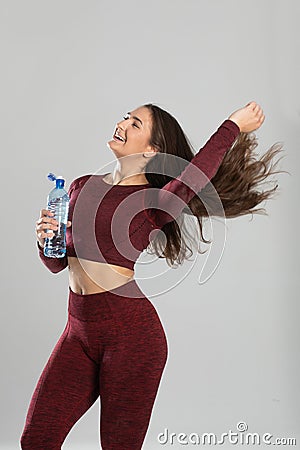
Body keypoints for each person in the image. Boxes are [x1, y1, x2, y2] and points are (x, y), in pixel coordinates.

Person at [20, 101, 283, 449]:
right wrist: (44, 241)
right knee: (37, 439)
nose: (123, 123)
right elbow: (58, 264)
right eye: (125, 117)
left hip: (131, 339)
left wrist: (232, 125)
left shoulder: (153, 201)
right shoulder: (81, 186)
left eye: (135, 123)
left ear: (151, 150)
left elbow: (193, 177)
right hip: (78, 333)